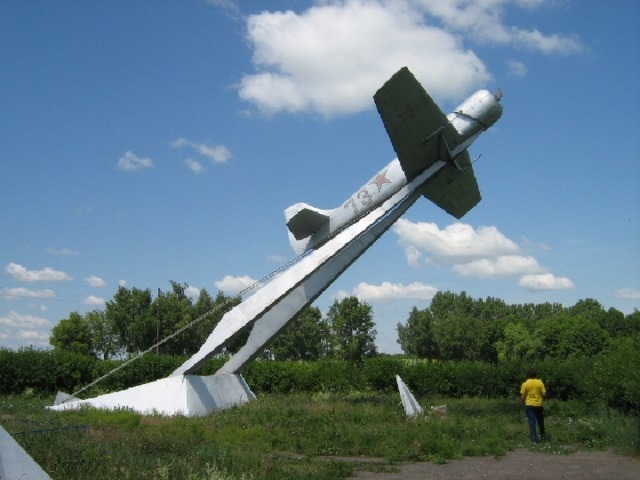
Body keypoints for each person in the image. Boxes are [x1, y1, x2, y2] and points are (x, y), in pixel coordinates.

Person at [520, 368, 546, 443]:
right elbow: (544, 394)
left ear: (527, 375)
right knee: (540, 421)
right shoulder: (540, 382)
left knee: (532, 422)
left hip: (529, 404)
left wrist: (523, 402)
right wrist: (541, 398)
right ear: (535, 374)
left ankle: (534, 439)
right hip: (539, 404)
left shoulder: (525, 384)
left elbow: (523, 396)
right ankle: (543, 436)